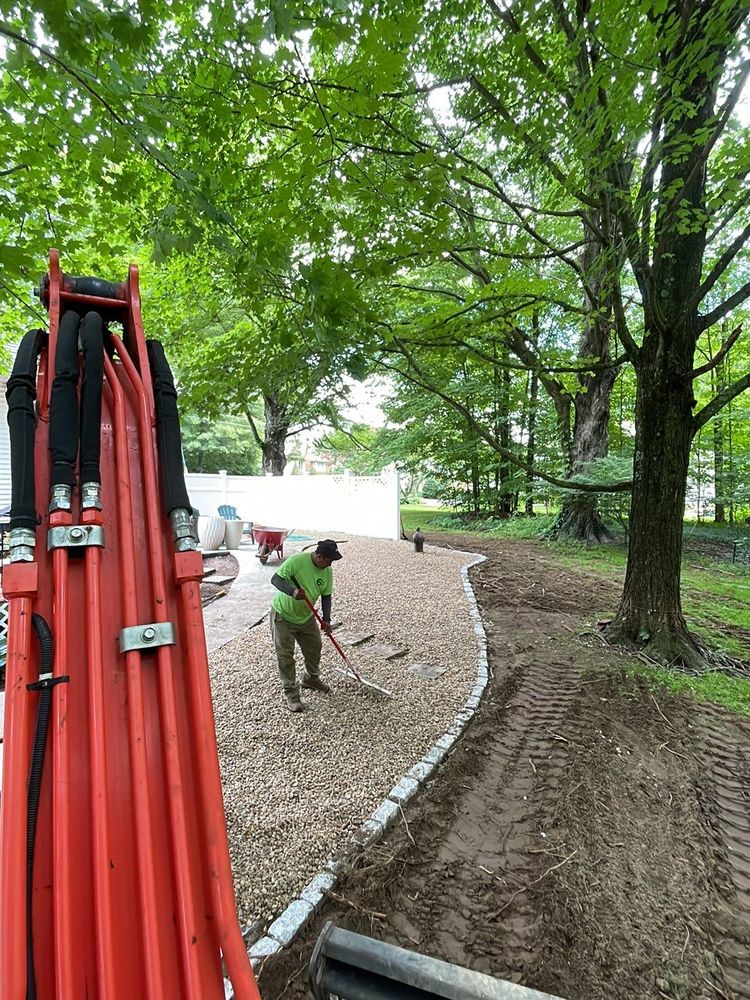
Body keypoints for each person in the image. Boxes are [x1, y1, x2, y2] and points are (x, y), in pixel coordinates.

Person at [269, 539, 342, 712]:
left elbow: (326, 595)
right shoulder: (297, 561)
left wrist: (327, 619)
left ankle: (311, 679)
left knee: (314, 647)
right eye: (330, 559)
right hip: (283, 616)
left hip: (306, 617)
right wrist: (293, 591)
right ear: (319, 556)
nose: (331, 563)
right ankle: (291, 693)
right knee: (285, 656)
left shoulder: (327, 570)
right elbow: (275, 579)